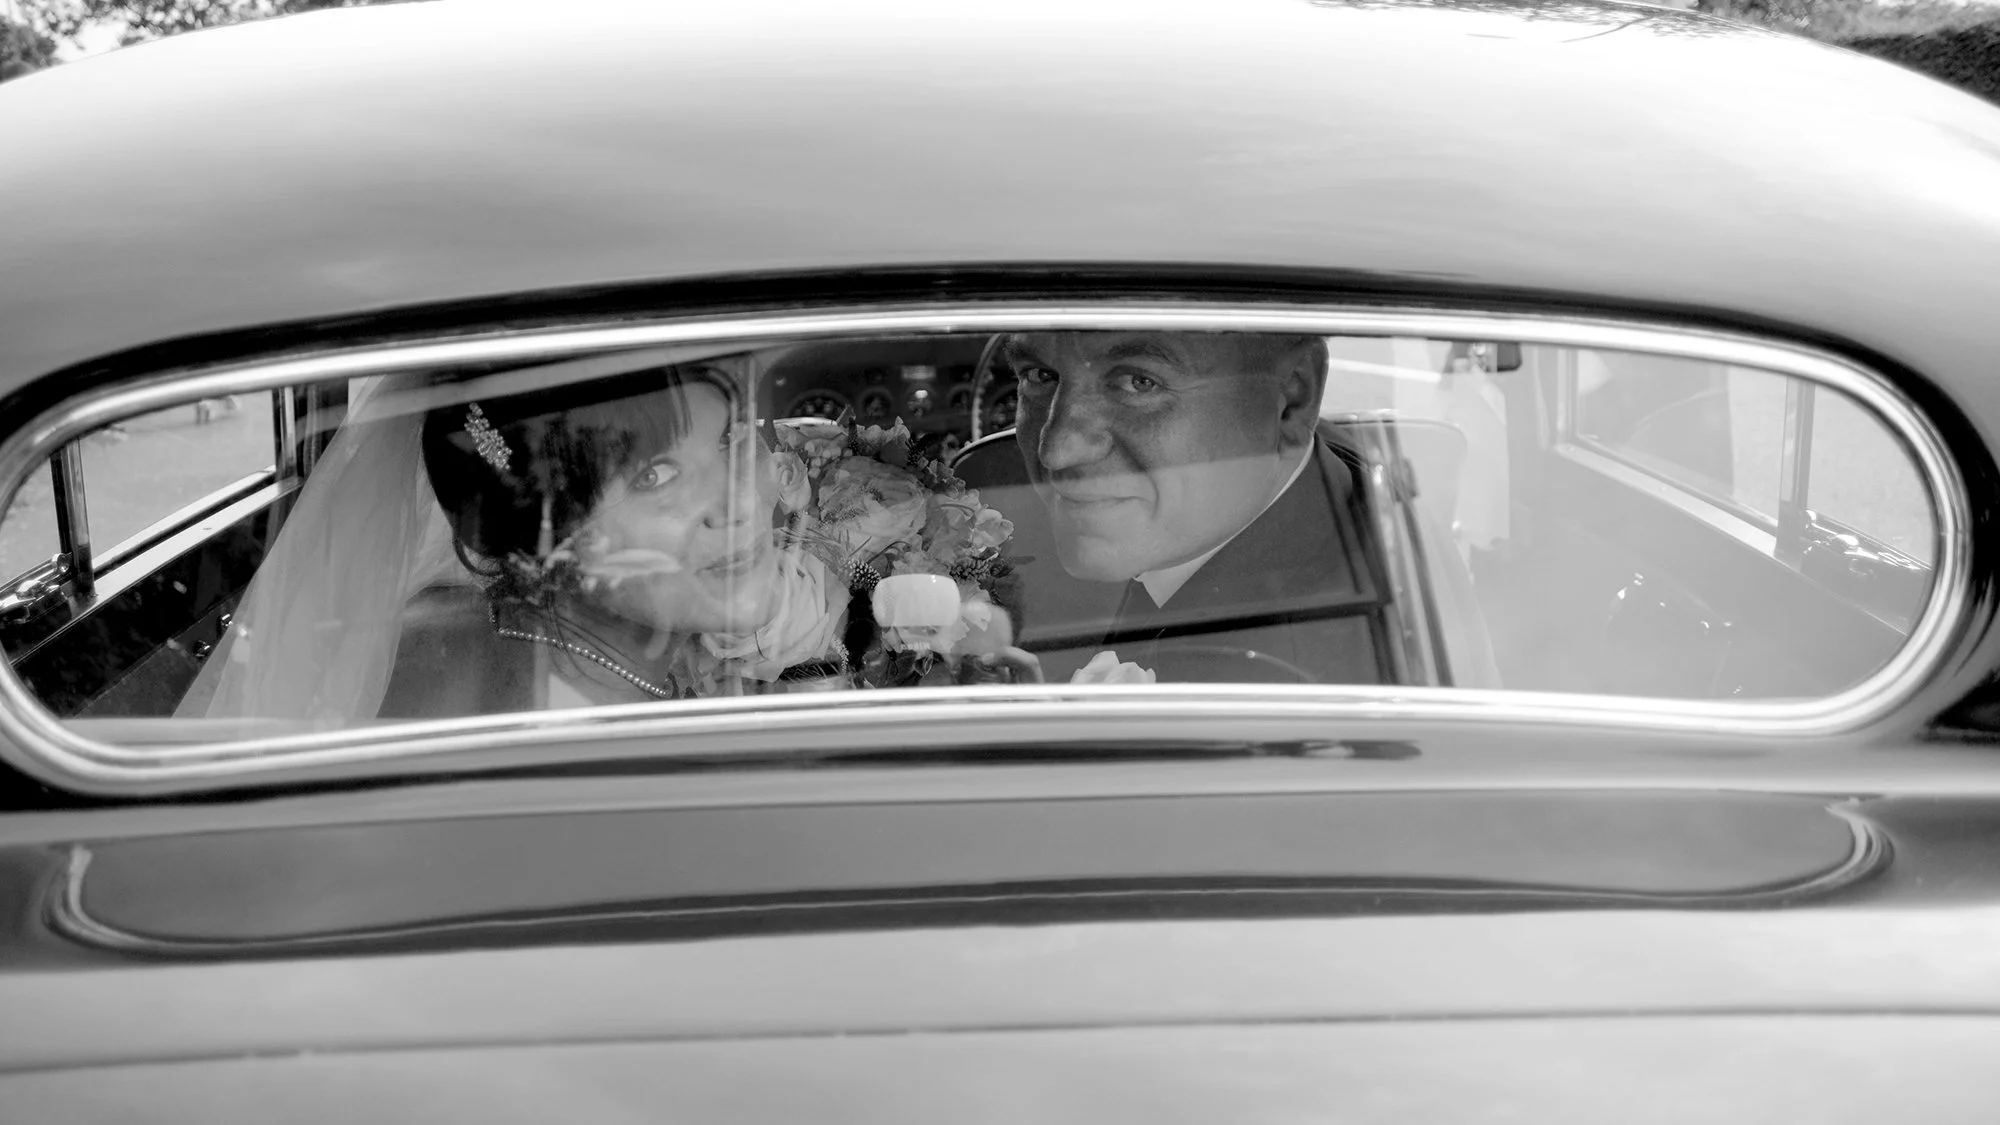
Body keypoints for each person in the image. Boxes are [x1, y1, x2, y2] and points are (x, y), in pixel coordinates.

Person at [179, 357, 847, 725]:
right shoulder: (547, 724)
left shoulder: (484, 628)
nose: (735, 501)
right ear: (545, 529)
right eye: (658, 474)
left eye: (733, 439)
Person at [1000, 331, 1385, 684]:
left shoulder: (1285, 688)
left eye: (1139, 382)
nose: (1056, 451)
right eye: (1039, 376)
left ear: (1293, 398)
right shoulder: (1329, 487)